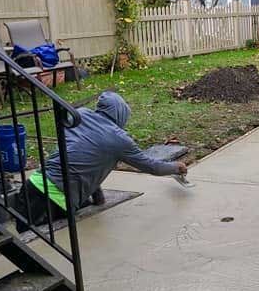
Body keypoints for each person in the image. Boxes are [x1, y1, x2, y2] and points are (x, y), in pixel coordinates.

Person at [14, 91, 188, 230]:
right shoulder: (120, 140)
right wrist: (175, 167)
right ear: (121, 114)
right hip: (54, 201)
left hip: (32, 185)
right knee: (37, 248)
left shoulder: (79, 116)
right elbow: (152, 166)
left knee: (23, 236)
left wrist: (97, 194)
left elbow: (84, 154)